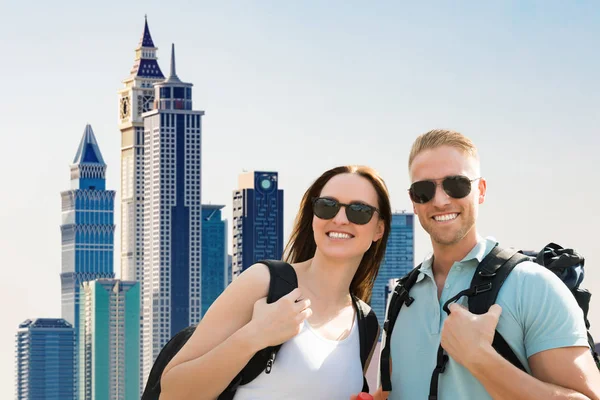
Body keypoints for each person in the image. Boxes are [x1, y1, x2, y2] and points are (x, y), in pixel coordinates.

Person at [371, 129, 600, 400]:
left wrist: (481, 360)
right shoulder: (401, 295)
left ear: (480, 190)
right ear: (413, 201)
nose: (441, 200)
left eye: (456, 185)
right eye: (424, 190)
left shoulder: (532, 284)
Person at [159, 165, 392, 400]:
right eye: (327, 206)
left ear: (379, 230)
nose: (340, 219)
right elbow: (172, 393)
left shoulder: (366, 323)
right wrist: (255, 335)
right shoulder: (263, 282)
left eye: (359, 211)